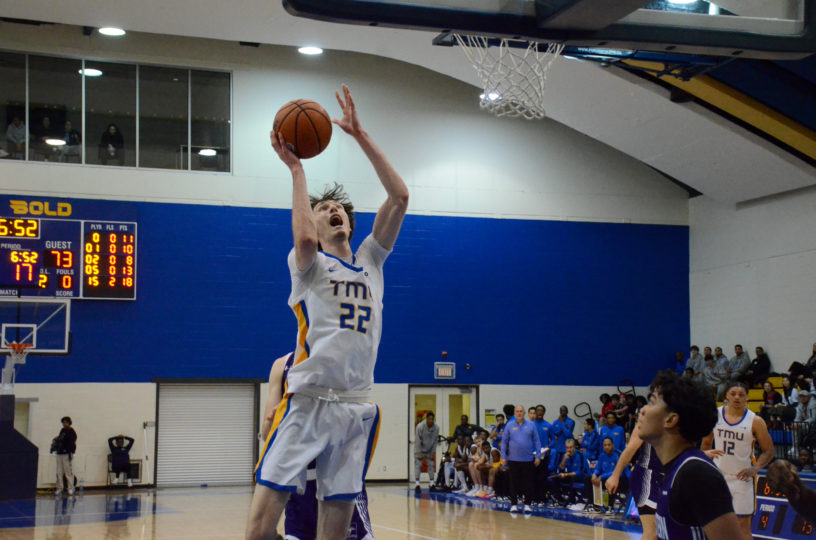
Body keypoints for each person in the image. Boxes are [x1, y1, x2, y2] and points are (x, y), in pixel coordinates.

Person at [247, 85, 409, 540]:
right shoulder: (309, 266)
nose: (333, 209)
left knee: (334, 531)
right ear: (314, 226)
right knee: (258, 533)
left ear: (351, 224)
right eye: (323, 208)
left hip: (354, 408)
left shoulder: (371, 263)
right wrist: (297, 170)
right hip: (307, 403)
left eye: (338, 207)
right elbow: (301, 240)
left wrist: (359, 134)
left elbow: (399, 198)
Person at [260, 352, 375, 540]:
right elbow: (266, 434)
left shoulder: (345, 358)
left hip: (340, 478)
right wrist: (275, 421)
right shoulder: (282, 366)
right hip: (301, 485)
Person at [638, 370, 745, 540]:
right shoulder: (675, 469)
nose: (642, 410)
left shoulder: (696, 474)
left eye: (652, 403)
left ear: (671, 420)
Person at [701, 381, 774, 538]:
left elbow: (769, 451)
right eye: (733, 394)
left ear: (747, 398)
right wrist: (705, 465)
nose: (737, 397)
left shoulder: (755, 421)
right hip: (718, 477)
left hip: (742, 478)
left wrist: (754, 469)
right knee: (714, 524)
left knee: (742, 527)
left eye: (741, 395)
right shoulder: (715, 415)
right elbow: (705, 444)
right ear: (726, 395)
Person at [606, 422, 660, 540]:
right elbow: (631, 448)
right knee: (652, 533)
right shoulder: (648, 418)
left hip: (666, 476)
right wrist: (615, 475)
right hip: (647, 476)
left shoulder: (678, 415)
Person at [500, 404, 541, 513]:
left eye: (521, 411)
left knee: (528, 482)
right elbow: (504, 442)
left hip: (528, 459)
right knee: (513, 483)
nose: (519, 413)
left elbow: (537, 441)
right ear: (514, 413)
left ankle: (527, 503)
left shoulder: (531, 425)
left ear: (524, 413)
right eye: (517, 411)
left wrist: (538, 456)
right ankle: (514, 504)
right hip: (513, 459)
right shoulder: (509, 425)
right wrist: (503, 456)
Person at [583, 437, 623, 515]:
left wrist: (601, 477)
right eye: (605, 445)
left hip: (620, 479)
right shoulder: (602, 455)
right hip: (605, 478)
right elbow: (598, 469)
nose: (607, 447)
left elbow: (616, 472)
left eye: (609, 445)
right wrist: (594, 475)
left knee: (609, 481)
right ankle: (594, 505)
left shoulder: (618, 455)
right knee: (588, 479)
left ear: (613, 445)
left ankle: (610, 507)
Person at [551, 438, 589, 511]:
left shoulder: (580, 455)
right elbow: (560, 470)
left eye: (571, 447)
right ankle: (559, 500)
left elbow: (580, 472)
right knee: (555, 477)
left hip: (583, 477)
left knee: (573, 478)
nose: (569, 450)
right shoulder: (565, 456)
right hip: (570, 475)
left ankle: (571, 500)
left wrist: (566, 474)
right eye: (567, 448)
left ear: (574, 447)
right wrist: (564, 460)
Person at [51, 416, 78, 496]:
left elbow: (72, 442)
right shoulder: (62, 430)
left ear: (69, 422)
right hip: (60, 453)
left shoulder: (72, 431)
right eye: (63, 422)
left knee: (68, 472)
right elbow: (59, 440)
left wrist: (68, 450)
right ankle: (59, 488)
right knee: (59, 472)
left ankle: (71, 488)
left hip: (67, 454)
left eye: (65, 422)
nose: (64, 424)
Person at [414, 412, 439, 493]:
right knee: (418, 465)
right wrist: (419, 453)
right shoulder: (420, 426)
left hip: (430, 449)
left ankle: (432, 484)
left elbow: (435, 441)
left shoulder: (436, 427)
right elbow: (418, 440)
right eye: (429, 419)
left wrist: (432, 453)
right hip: (420, 448)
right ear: (426, 419)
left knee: (431, 465)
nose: (431, 421)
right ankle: (417, 484)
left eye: (432, 419)